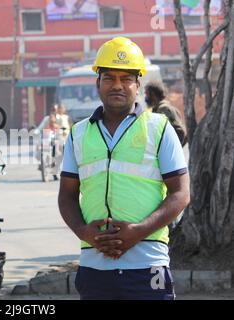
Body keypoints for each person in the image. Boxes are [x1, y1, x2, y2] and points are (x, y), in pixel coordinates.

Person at [58, 37, 190, 300]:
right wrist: (85, 233)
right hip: (94, 267)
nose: (117, 85)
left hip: (147, 265)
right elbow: (67, 195)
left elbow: (180, 194)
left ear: (137, 84)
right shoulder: (78, 134)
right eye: (109, 78)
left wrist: (137, 232)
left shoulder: (159, 128)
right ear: (98, 83)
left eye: (126, 78)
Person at [145, 81, 188, 146]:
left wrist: (170, 150)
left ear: (153, 95)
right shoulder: (159, 110)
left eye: (147, 94)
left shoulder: (164, 110)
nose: (146, 98)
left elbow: (180, 132)